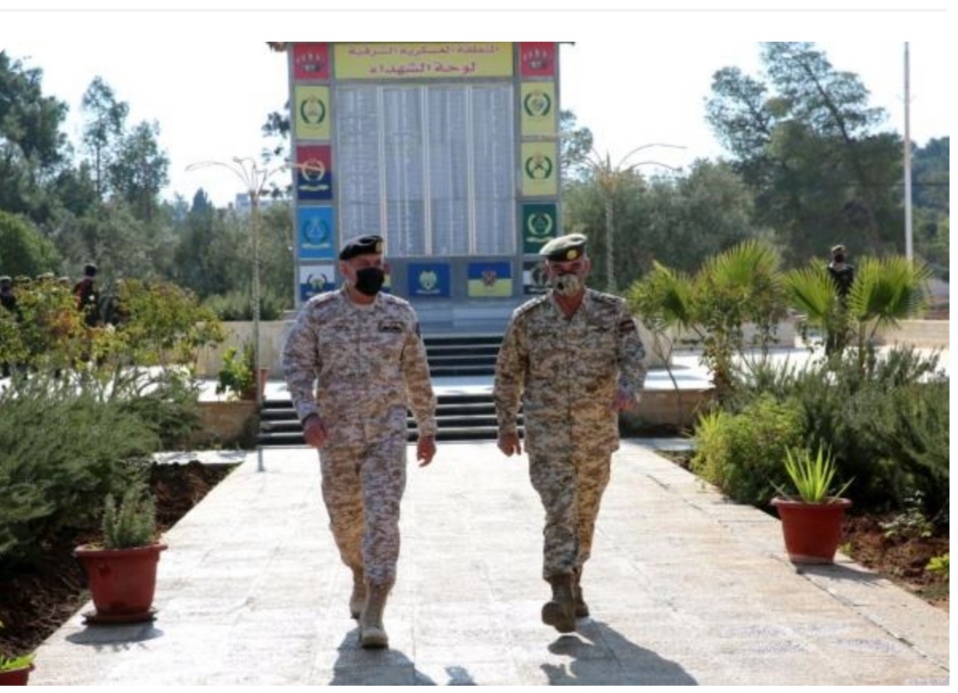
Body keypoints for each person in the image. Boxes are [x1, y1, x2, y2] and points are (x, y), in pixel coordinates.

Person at [282, 234, 438, 649]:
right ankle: (358, 572)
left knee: (382, 516)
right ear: (345, 270)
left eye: (378, 262)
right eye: (365, 263)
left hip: (387, 433)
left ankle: (375, 609)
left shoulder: (400, 313)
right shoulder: (320, 312)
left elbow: (417, 372)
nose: (373, 269)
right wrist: (307, 413)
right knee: (345, 521)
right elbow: (296, 364)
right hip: (336, 436)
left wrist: (427, 427)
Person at [493, 233, 648, 634]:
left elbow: (633, 355)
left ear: (587, 267)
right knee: (560, 510)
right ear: (547, 271)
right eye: (559, 268)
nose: (567, 274)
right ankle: (560, 588)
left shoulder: (612, 311)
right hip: (547, 436)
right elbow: (508, 374)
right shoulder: (528, 318)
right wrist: (506, 425)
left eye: (574, 267)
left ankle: (575, 579)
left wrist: (629, 388)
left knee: (585, 514)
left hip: (596, 433)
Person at [825, 244, 855, 355]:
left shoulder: (849, 270)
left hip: (844, 306)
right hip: (830, 306)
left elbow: (852, 288)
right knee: (831, 334)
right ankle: (829, 358)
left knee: (841, 334)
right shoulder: (827, 271)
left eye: (841, 254)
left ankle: (839, 358)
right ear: (832, 255)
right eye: (837, 254)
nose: (839, 256)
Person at [73, 262, 101, 327]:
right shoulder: (94, 285)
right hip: (89, 312)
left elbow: (73, 296)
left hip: (78, 310)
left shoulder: (79, 284)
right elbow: (94, 298)